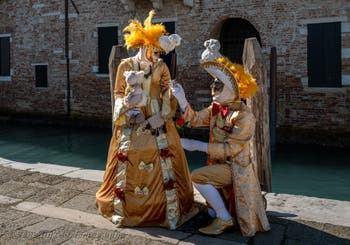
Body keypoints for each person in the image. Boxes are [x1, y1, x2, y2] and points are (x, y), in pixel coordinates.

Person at [96, 10, 196, 229]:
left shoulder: (161, 67)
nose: (156, 54)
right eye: (153, 49)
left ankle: (166, 208)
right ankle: (126, 206)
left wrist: (164, 115)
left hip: (158, 118)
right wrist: (129, 110)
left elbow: (167, 93)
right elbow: (118, 94)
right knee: (128, 154)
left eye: (158, 51)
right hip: (132, 119)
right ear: (144, 45)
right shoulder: (125, 66)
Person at [171, 39, 270, 237]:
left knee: (197, 176)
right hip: (219, 163)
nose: (213, 88)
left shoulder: (245, 117)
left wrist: (196, 145)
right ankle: (220, 209)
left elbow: (231, 150)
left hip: (235, 167)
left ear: (232, 90)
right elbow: (196, 119)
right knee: (202, 182)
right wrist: (182, 101)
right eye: (213, 84)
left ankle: (224, 218)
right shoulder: (216, 109)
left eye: (218, 85)